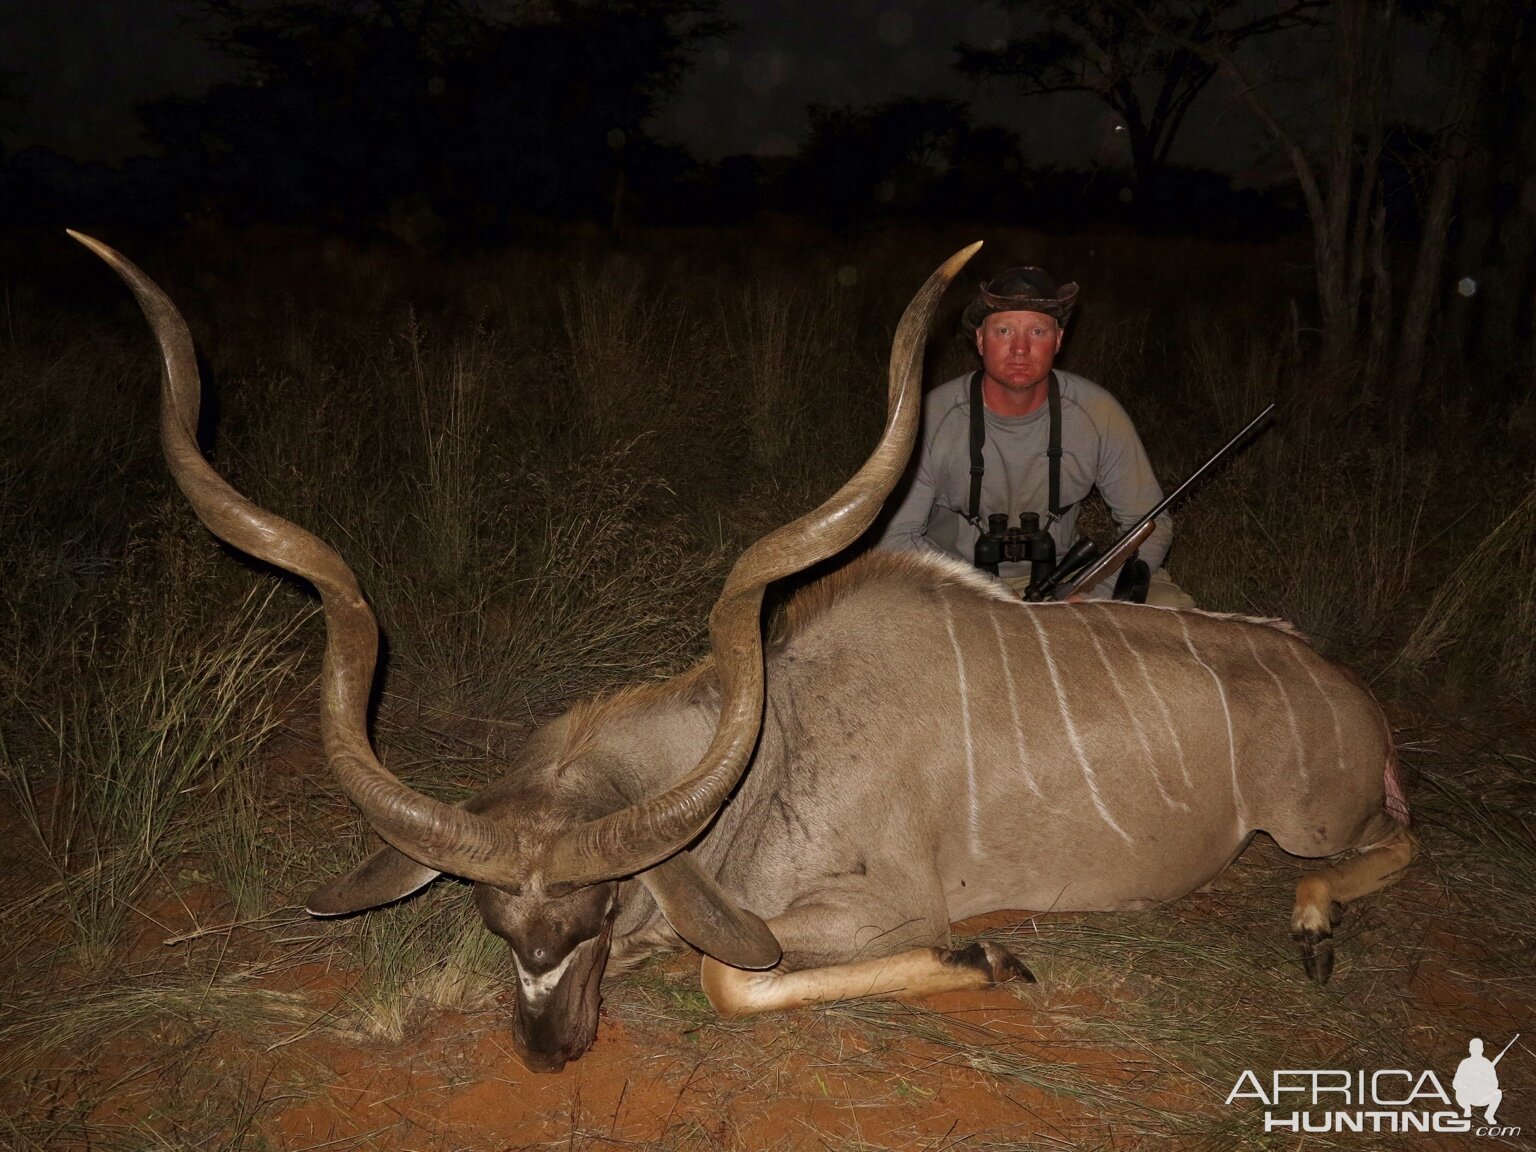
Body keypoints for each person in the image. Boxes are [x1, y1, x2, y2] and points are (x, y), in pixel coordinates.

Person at [876, 265, 1196, 607]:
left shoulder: (1098, 413)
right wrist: (982, 592)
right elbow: (896, 536)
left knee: (1174, 610)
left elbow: (1149, 524)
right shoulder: (932, 417)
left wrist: (1095, 597)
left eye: (1037, 332)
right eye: (1003, 331)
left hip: (1062, 581)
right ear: (980, 340)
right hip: (954, 580)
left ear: (1058, 340)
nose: (1019, 349)